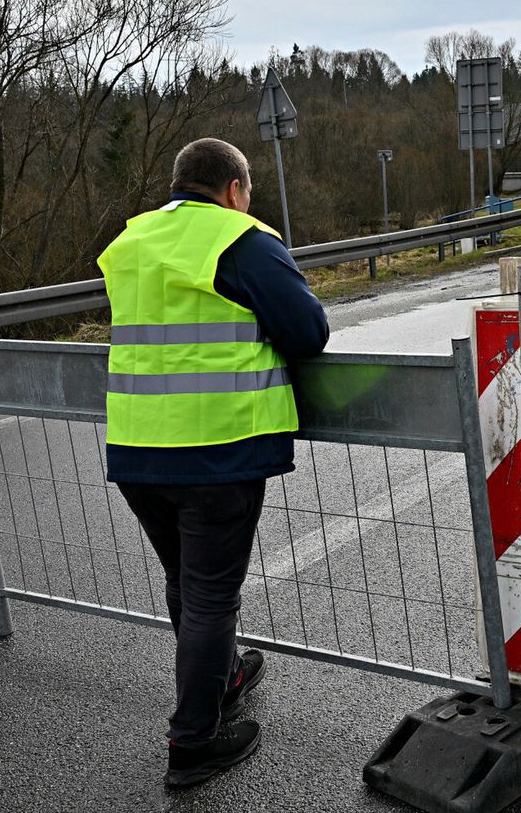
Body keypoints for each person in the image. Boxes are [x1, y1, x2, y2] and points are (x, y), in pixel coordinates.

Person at [97, 138, 329, 788]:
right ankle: (192, 743)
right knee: (210, 594)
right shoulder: (241, 238)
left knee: (186, 579)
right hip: (216, 448)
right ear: (234, 189)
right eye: (246, 193)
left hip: (138, 448)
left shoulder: (134, 241)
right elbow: (309, 331)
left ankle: (223, 676)